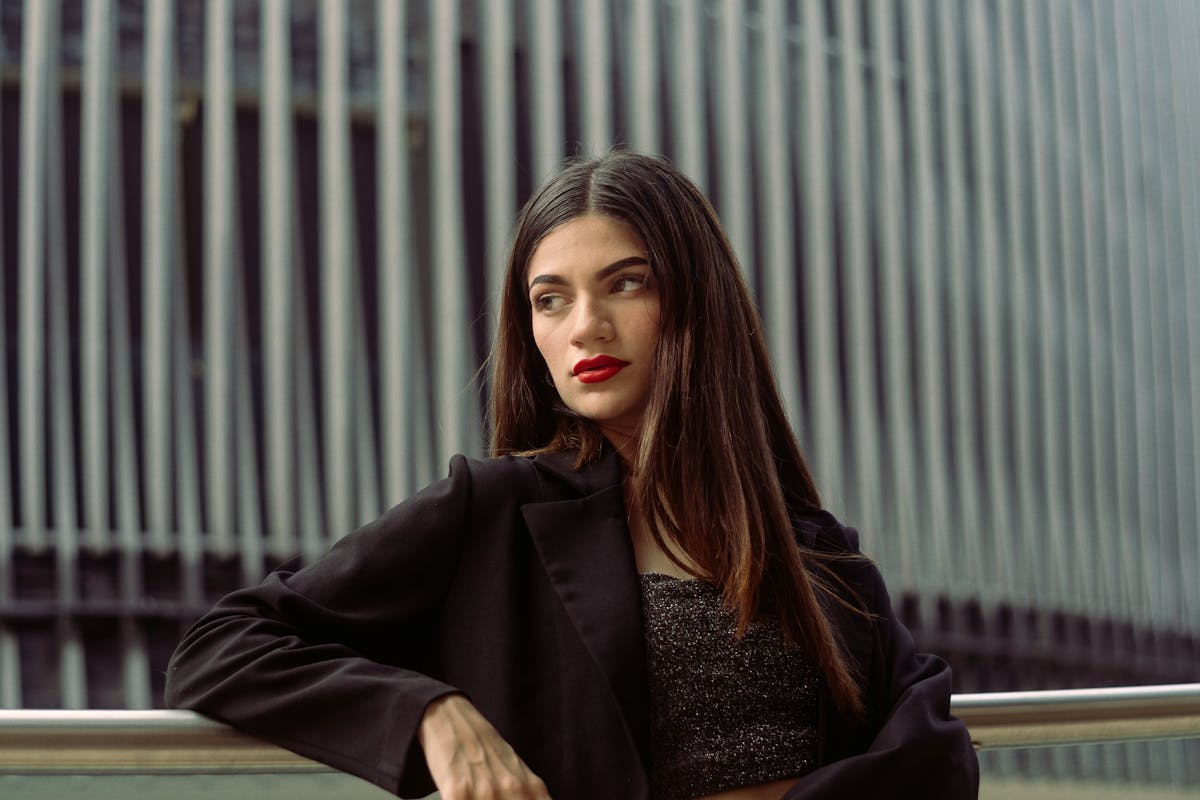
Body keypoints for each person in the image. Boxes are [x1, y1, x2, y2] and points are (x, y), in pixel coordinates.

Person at [166, 151, 979, 799]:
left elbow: (934, 753)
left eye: (626, 284)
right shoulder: (491, 509)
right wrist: (428, 713)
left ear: (697, 302)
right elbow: (222, 644)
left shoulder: (811, 545)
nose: (586, 326)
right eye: (550, 300)